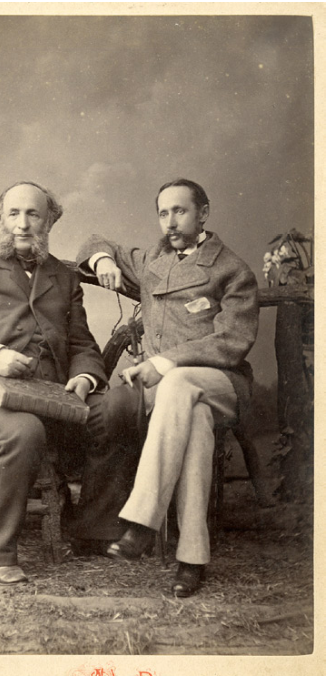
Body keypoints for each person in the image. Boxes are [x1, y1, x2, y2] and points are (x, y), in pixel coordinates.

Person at [0, 181, 144, 585]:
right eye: (13, 214)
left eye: (33, 214)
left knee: (117, 406)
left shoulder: (64, 276)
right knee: (23, 431)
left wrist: (83, 376)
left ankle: (93, 529)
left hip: (50, 395)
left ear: (49, 221)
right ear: (1, 218)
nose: (22, 224)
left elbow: (81, 344)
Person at [76, 179, 259, 597]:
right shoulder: (153, 261)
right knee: (193, 423)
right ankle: (192, 560)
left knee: (178, 381)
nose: (170, 222)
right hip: (180, 399)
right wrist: (104, 260)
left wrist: (163, 363)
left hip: (223, 386)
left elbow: (232, 342)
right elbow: (93, 242)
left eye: (180, 211)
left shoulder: (232, 270)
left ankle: (142, 520)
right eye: (163, 213)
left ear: (203, 214)